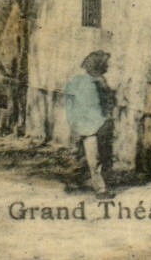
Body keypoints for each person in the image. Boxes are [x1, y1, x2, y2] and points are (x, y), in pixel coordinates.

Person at [64, 50, 117, 199]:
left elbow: (70, 101)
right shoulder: (92, 83)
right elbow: (101, 105)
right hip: (91, 126)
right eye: (105, 64)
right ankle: (100, 190)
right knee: (94, 158)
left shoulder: (85, 81)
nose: (107, 66)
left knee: (85, 156)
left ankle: (78, 183)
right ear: (97, 65)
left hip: (89, 125)